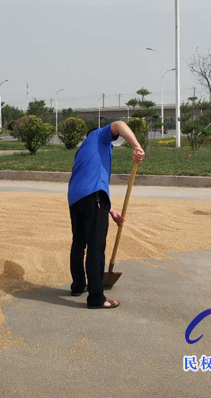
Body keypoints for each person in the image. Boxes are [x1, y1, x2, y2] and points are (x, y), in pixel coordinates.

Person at [68, 121, 145, 309]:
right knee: (96, 246)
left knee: (79, 243)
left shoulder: (83, 151)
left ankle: (78, 285)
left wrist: (110, 209)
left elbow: (91, 180)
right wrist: (137, 146)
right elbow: (119, 124)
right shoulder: (98, 136)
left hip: (76, 199)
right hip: (93, 197)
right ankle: (96, 298)